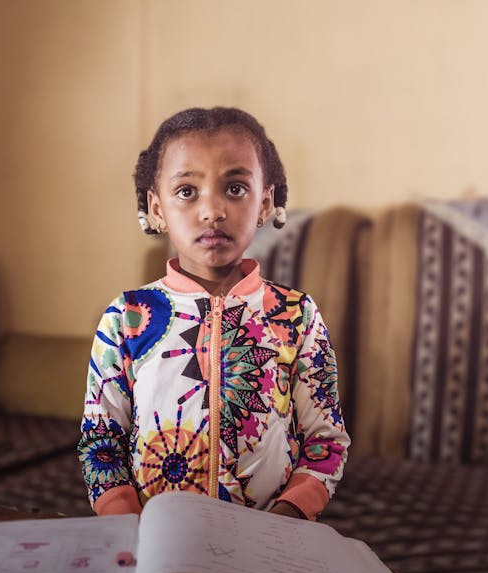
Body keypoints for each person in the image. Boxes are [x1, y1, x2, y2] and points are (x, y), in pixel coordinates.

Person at [77, 107, 349, 521]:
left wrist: (287, 518)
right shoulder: (125, 318)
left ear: (265, 202)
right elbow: (100, 442)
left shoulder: (297, 317)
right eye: (187, 191)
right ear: (156, 209)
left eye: (236, 188)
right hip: (153, 540)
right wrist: (126, 526)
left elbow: (325, 442)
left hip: (269, 539)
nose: (212, 211)